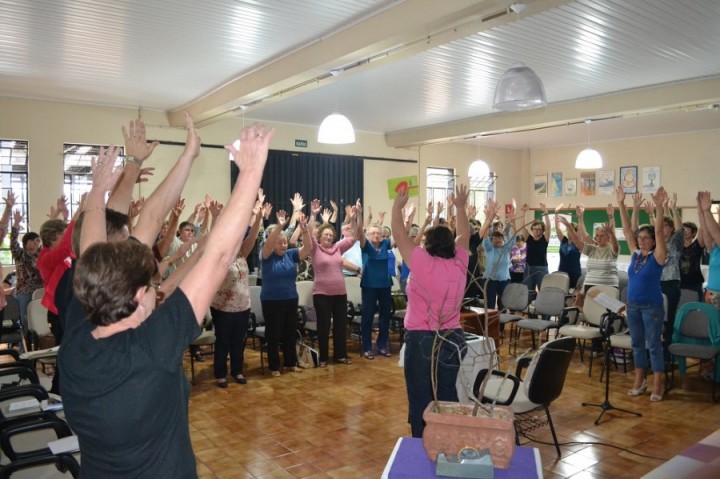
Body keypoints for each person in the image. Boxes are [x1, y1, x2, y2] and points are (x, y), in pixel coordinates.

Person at [58, 122, 273, 478]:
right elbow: (219, 259)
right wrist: (251, 172)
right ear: (141, 295)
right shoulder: (152, 347)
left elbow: (93, 251)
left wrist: (97, 194)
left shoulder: (80, 331)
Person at [393, 183, 470, 437]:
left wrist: (397, 206)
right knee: (447, 395)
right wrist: (459, 207)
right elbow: (466, 234)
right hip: (454, 338)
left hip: (423, 339)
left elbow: (400, 236)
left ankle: (422, 448)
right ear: (452, 245)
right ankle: (449, 442)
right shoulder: (460, 262)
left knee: (421, 397)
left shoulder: (423, 262)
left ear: (427, 244)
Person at [617, 185, 667, 402]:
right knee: (637, 344)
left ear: (653, 241)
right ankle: (640, 380)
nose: (642, 240)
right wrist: (621, 204)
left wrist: (658, 208)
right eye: (641, 238)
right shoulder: (636, 255)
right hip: (633, 305)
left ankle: (658, 383)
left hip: (651, 307)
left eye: (646, 238)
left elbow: (658, 231)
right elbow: (628, 230)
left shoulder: (658, 257)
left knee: (654, 345)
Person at [211, 192, 264, 388]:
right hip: (223, 307)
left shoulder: (242, 254)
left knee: (238, 342)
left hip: (243, 306)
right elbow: (213, 237)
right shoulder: (219, 256)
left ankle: (237, 371)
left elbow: (253, 234)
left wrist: (258, 215)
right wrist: (215, 217)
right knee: (223, 341)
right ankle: (220, 374)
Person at [261, 210, 311, 376]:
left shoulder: (291, 254)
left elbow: (308, 248)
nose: (283, 245)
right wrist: (280, 226)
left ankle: (290, 363)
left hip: (290, 298)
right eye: (279, 243)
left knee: (290, 332)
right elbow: (268, 245)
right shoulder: (267, 256)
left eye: (284, 243)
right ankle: (274, 366)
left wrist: (305, 230)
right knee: (273, 335)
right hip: (271, 300)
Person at [309, 212, 360, 367]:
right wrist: (313, 214)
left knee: (340, 325)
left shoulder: (338, 247)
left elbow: (353, 237)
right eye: (325, 234)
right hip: (322, 294)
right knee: (323, 327)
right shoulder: (315, 248)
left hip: (340, 294)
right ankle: (323, 358)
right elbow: (309, 232)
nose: (329, 237)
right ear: (319, 236)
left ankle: (340, 355)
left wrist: (353, 218)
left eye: (331, 235)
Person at [358, 221, 393, 359]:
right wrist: (358, 217)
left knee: (385, 317)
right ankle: (367, 347)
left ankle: (382, 345)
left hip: (385, 284)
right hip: (369, 285)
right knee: (368, 317)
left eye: (378, 233)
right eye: (372, 233)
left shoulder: (385, 244)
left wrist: (405, 220)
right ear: (368, 235)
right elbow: (360, 233)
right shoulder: (366, 246)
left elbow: (398, 235)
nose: (376, 235)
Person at [520, 202, 551, 293]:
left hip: (542, 268)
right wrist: (524, 213)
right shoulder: (528, 238)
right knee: (528, 292)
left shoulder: (545, 239)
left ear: (542, 230)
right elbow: (523, 227)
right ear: (532, 229)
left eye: (539, 229)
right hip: (529, 268)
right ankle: (529, 307)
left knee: (544, 292)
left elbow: (549, 227)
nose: (537, 231)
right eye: (535, 229)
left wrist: (545, 211)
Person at [554, 205, 582, 289]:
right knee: (561, 294)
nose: (570, 232)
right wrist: (556, 213)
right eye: (568, 230)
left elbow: (580, 230)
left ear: (576, 232)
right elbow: (557, 227)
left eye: (572, 230)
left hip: (574, 273)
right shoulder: (564, 240)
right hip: (562, 271)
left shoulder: (578, 243)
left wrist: (580, 216)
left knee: (573, 295)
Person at [680, 221, 705, 301]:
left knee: (695, 308)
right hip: (679, 283)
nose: (684, 231)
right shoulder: (677, 246)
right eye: (683, 229)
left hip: (695, 283)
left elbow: (703, 228)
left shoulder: (697, 245)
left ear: (693, 233)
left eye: (687, 229)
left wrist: (702, 212)